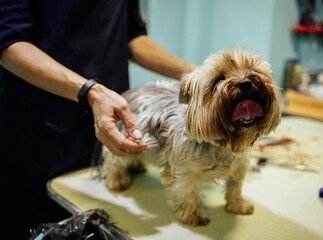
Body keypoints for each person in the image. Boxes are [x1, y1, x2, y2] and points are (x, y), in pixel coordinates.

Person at [0, 0, 194, 238]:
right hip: (38, 127)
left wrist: (195, 74)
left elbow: (133, 37)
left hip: (112, 121)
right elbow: (10, 44)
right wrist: (90, 92)